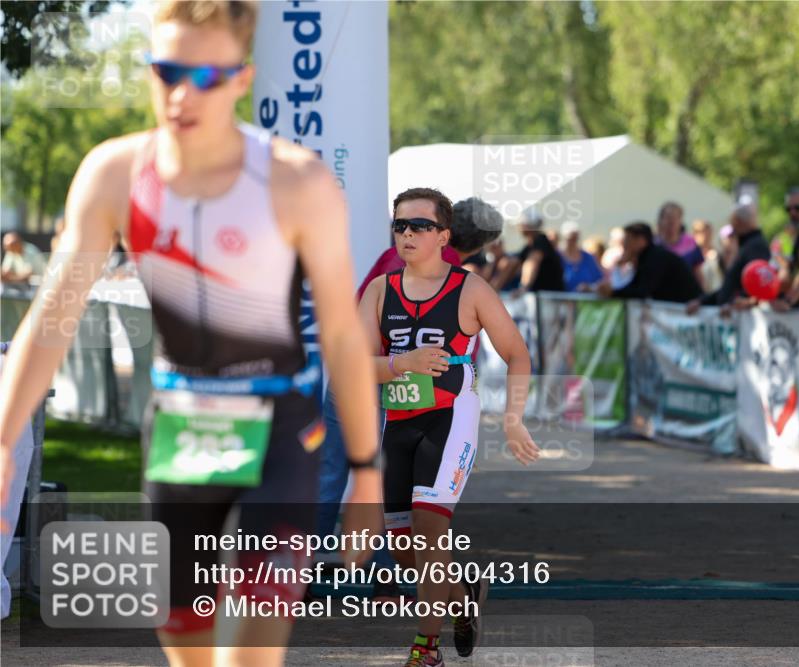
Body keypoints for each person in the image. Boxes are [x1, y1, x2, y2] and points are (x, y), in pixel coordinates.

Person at [0, 4, 382, 667]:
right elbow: (55, 311)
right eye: (167, 71)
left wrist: (367, 474)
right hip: (182, 422)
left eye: (206, 75)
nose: (182, 95)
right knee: (186, 639)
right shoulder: (115, 173)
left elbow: (346, 338)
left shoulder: (298, 180)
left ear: (242, 79)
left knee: (251, 650)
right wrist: (3, 438)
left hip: (282, 425)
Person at [358, 187, 540, 666]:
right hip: (397, 422)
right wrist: (403, 362)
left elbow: (517, 354)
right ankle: (462, 600)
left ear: (444, 236)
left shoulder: (471, 289)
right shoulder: (380, 291)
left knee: (428, 531)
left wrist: (513, 418)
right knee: (402, 547)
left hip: (450, 419)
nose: (407, 234)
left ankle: (425, 649)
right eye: (400, 225)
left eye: (419, 226)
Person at [316, 196, 503, 598]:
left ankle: (298, 575)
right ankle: (390, 575)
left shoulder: (397, 250)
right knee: (392, 482)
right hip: (395, 381)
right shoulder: (445, 271)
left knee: (330, 475)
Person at [687, 204, 770, 314]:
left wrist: (740, 300)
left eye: (733, 222)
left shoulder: (755, 246)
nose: (733, 226)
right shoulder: (747, 245)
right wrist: (702, 301)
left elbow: (756, 283)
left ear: (739, 221)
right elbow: (731, 284)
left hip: (743, 317)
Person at [598, 222, 702, 302]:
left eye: (628, 240)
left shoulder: (655, 258)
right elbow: (635, 285)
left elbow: (642, 291)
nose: (625, 245)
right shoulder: (647, 257)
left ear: (641, 240)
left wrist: (614, 293)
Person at [656, 201, 705, 289]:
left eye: (676, 218)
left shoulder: (691, 243)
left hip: (685, 297)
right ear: (661, 220)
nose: (671, 222)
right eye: (668, 217)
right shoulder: (653, 244)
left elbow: (698, 273)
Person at [559, 222, 603, 292]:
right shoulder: (557, 257)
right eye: (570, 238)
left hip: (585, 301)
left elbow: (599, 280)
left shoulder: (588, 258)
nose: (572, 242)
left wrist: (590, 287)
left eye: (575, 238)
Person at [690, 219, 723, 293]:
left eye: (708, 232)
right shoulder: (691, 255)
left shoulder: (717, 253)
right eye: (701, 232)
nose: (705, 235)